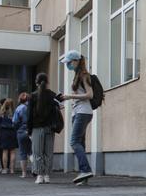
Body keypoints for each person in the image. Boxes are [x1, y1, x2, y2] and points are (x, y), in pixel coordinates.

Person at [59, 50, 95, 185]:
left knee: (74, 142)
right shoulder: (77, 75)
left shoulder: (84, 75)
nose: (67, 65)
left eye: (68, 62)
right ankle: (84, 177)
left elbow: (90, 95)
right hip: (78, 112)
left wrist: (70, 96)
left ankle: (85, 170)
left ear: (76, 61)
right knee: (81, 143)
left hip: (83, 112)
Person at [27, 73, 58, 184]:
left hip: (36, 128)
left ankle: (39, 176)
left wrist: (29, 130)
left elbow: (29, 115)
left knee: (37, 153)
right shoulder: (52, 95)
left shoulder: (32, 96)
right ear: (47, 81)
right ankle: (47, 175)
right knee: (48, 153)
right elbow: (56, 113)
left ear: (36, 82)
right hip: (50, 128)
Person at [0, 99, 18, 174]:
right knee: (13, 151)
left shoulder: (1, 113)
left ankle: (5, 169)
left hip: (4, 132)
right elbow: (17, 123)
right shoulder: (14, 113)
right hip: (13, 132)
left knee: (4, 151)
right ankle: (12, 170)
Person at [13, 93, 32, 178]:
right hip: (31, 131)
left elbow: (15, 122)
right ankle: (36, 171)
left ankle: (24, 173)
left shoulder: (19, 108)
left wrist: (18, 129)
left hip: (21, 131)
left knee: (23, 152)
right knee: (32, 152)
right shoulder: (31, 108)